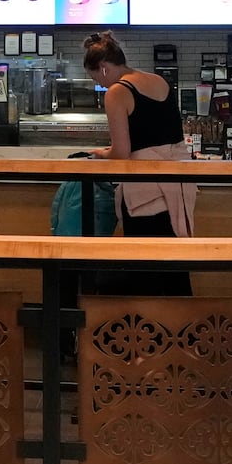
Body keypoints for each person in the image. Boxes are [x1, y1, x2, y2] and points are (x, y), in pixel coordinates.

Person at [83, 31, 196, 295]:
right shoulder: (158, 80)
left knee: (147, 267)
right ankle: (182, 332)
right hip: (178, 183)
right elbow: (159, 135)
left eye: (96, 78)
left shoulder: (118, 91)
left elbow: (122, 152)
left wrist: (102, 154)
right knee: (175, 264)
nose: (99, 84)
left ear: (103, 67)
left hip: (147, 188)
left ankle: (151, 333)